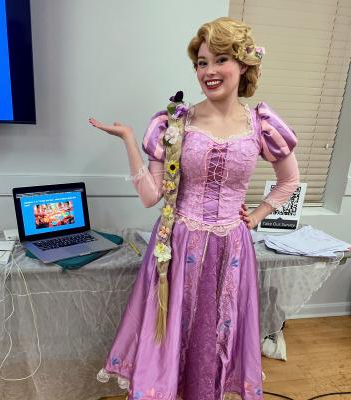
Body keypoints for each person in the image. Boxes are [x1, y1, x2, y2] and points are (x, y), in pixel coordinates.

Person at [90, 17, 299, 400]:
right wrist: (129, 141)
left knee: (212, 334)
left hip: (230, 251)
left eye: (220, 59)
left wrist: (256, 215)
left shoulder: (261, 126)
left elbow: (290, 180)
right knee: (169, 335)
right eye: (202, 62)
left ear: (243, 65)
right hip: (178, 245)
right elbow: (151, 196)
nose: (209, 71)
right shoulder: (174, 122)